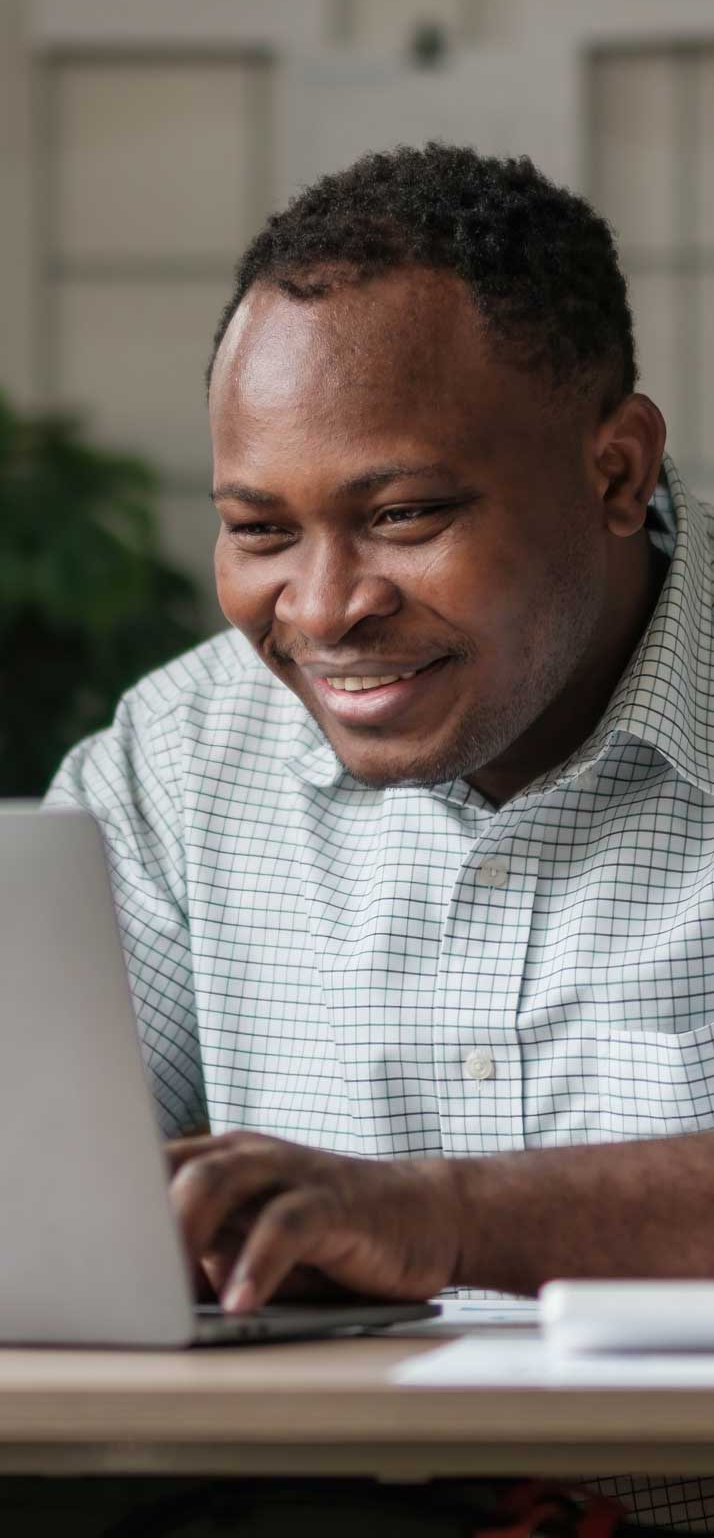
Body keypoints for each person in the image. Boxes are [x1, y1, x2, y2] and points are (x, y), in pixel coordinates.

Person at [44, 144, 714, 1536]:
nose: (323, 607)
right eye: (259, 531)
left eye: (403, 515)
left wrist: (441, 1216)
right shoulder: (183, 757)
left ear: (612, 467)